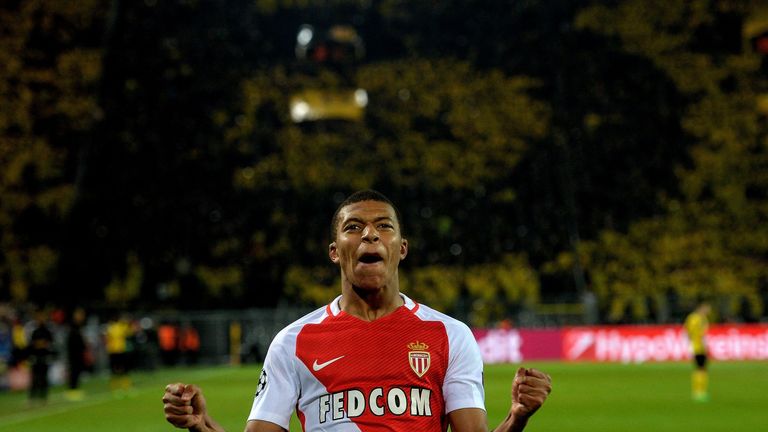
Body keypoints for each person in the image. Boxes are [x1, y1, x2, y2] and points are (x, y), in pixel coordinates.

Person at [163, 189, 552, 432]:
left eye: (383, 226)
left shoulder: (450, 335)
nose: (369, 234)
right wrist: (202, 425)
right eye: (353, 227)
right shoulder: (293, 342)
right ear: (335, 252)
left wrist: (517, 417)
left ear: (401, 248)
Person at [684, 301, 711, 402]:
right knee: (701, 368)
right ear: (701, 307)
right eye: (707, 308)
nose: (708, 310)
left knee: (701, 368)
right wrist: (691, 344)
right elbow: (691, 332)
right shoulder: (697, 318)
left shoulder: (698, 318)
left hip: (699, 347)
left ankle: (699, 391)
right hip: (698, 347)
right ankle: (699, 392)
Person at [28, 309, 55, 405]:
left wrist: (42, 344)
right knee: (35, 378)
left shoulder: (47, 331)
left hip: (45, 357)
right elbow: (32, 344)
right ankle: (32, 398)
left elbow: (50, 343)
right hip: (36, 357)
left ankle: (44, 397)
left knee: (44, 378)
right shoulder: (34, 331)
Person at [66, 308, 88, 401]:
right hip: (74, 353)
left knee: (77, 370)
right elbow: (72, 341)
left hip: (79, 352)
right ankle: (72, 391)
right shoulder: (73, 327)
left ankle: (75, 390)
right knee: (74, 371)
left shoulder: (78, 326)